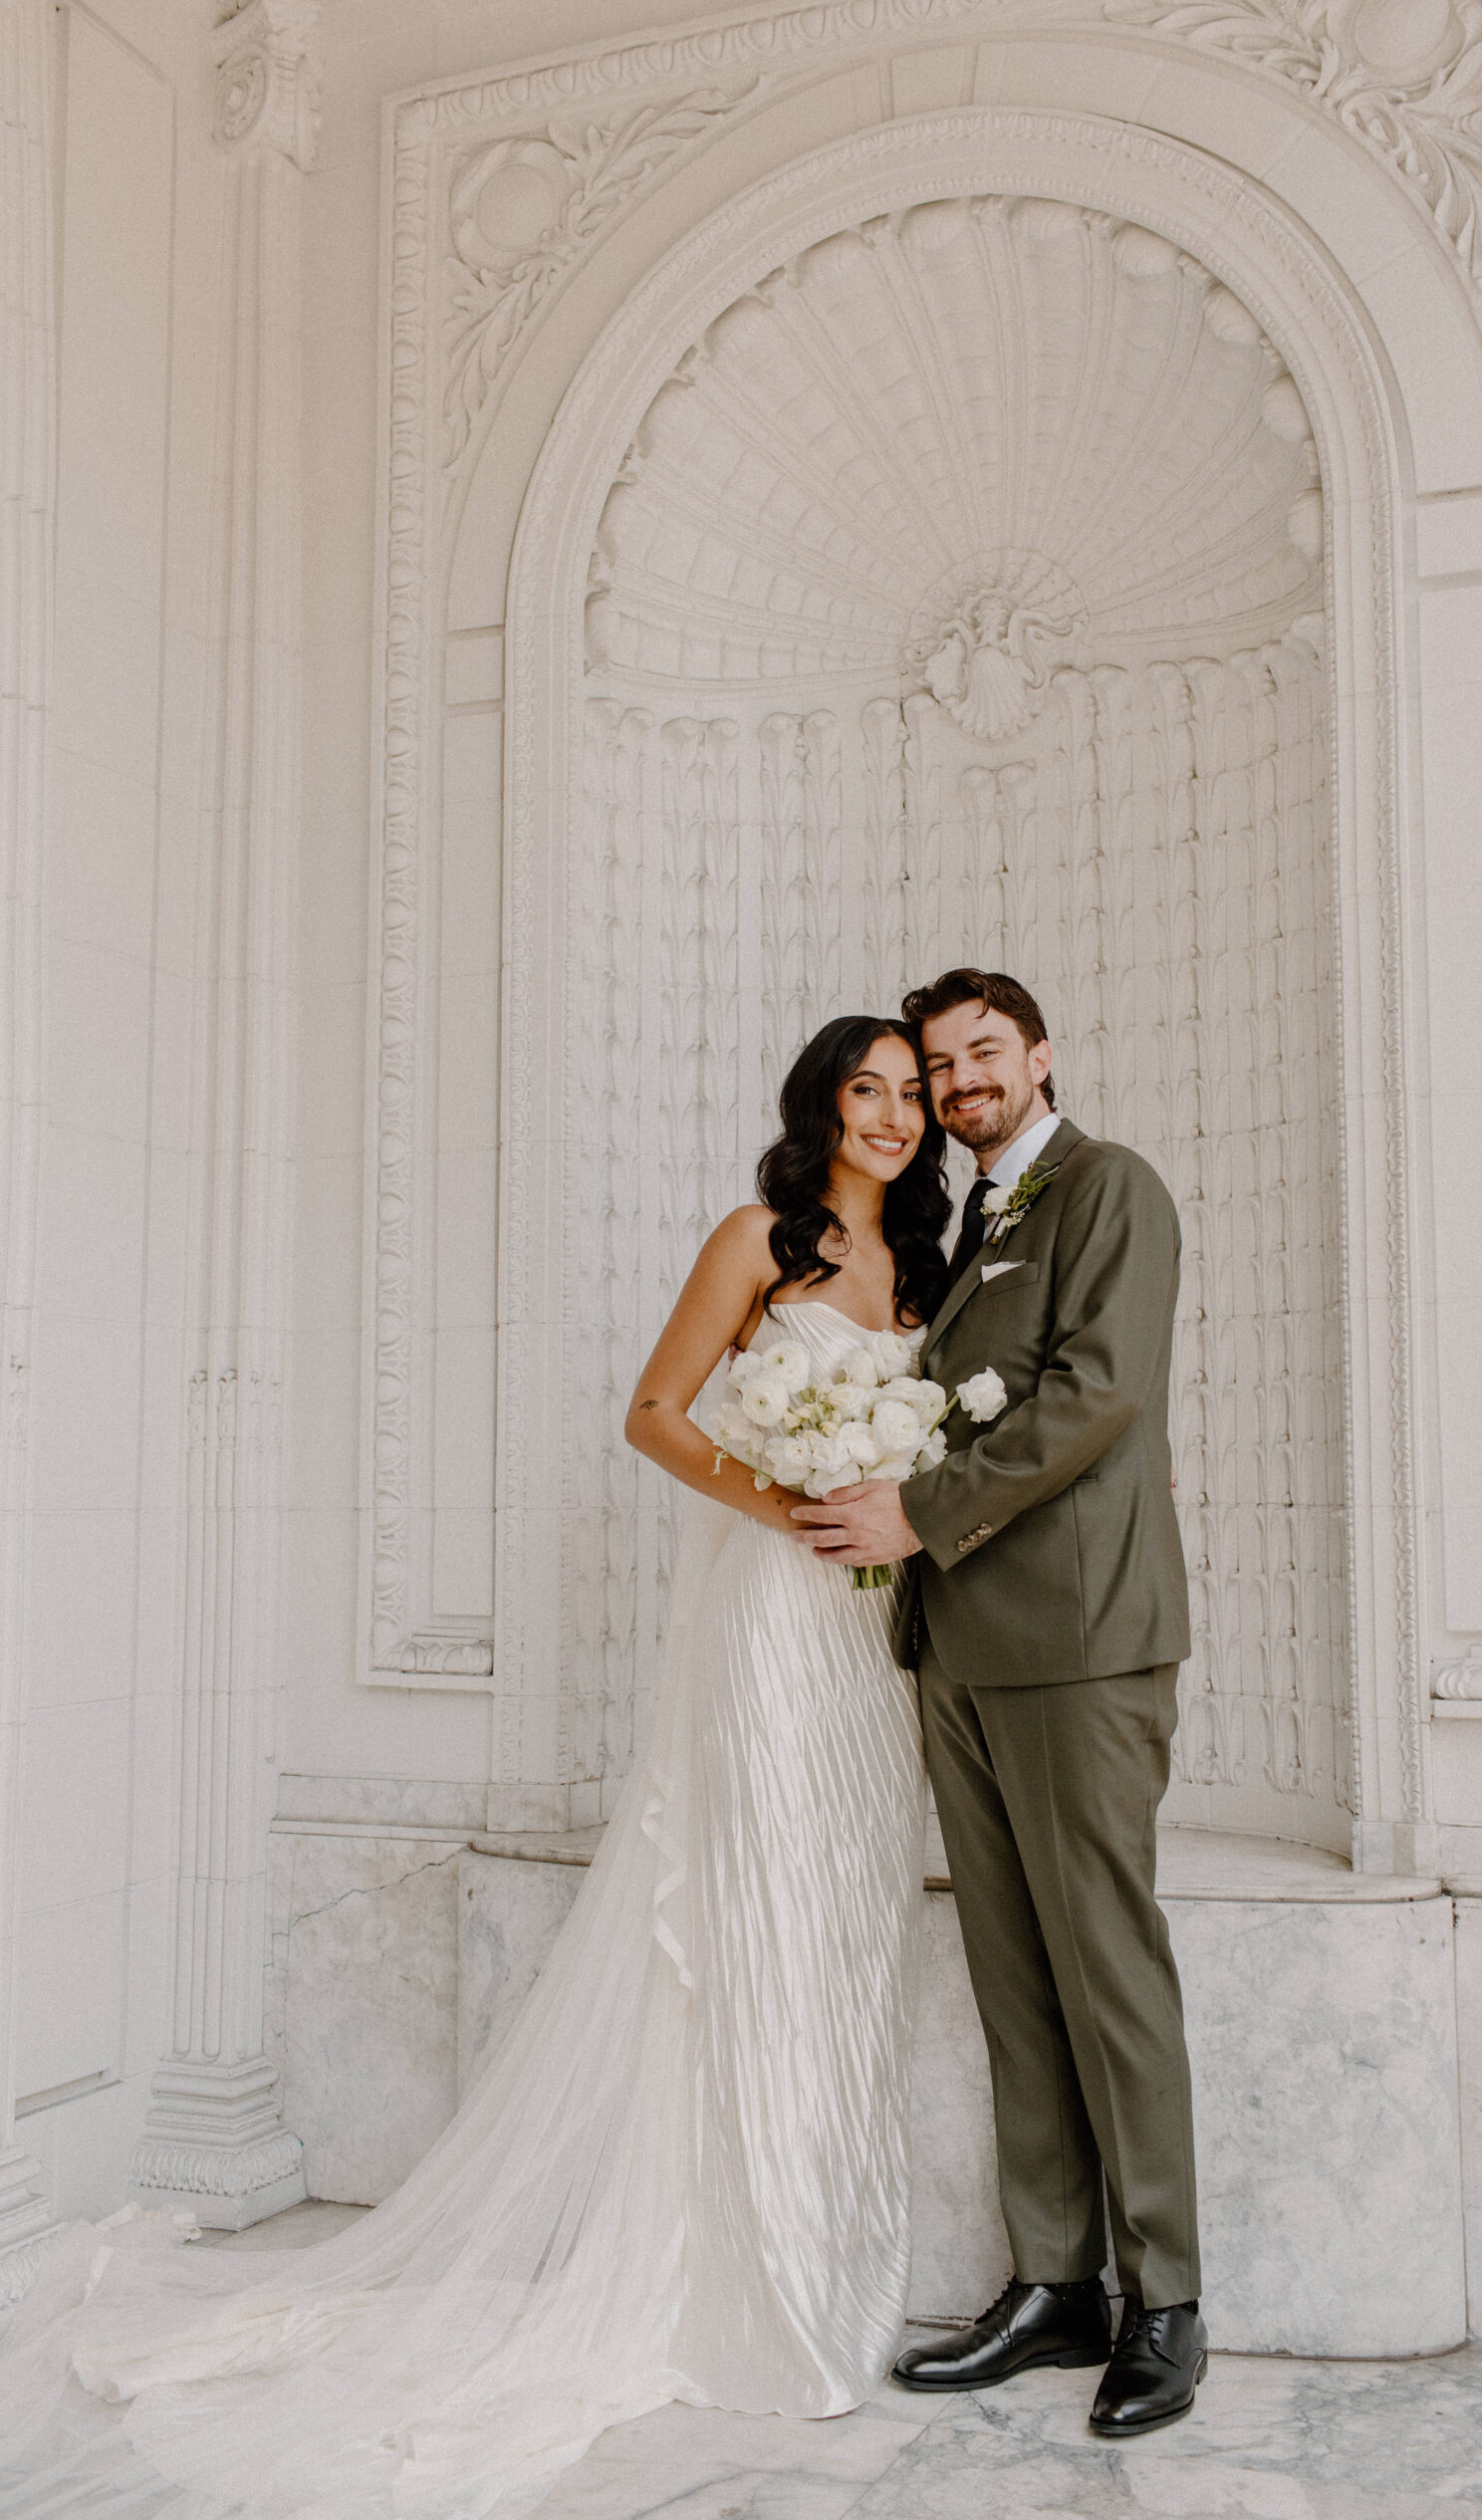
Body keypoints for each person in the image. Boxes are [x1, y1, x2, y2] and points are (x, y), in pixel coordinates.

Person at [0, 1016, 950, 2520]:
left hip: (876, 1641)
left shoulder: (934, 1267)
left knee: (844, 1937)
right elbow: (650, 1414)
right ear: (823, 1104)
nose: (895, 1115)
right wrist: (783, 1496)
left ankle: (831, 2268)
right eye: (869, 1089)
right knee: (758, 1928)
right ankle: (745, 2297)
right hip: (774, 1621)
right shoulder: (758, 1240)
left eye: (912, 1094)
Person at [794, 966, 1206, 2439]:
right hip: (958, 1645)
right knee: (1013, 1977)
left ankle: (1165, 2301)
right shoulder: (971, 1221)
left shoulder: (1110, 1190)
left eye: (982, 1054)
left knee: (1107, 1968)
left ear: (1039, 1058)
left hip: (1082, 1641)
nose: (959, 1082)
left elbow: (1096, 1396)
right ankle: (1058, 2284)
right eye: (937, 1065)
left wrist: (915, 1510)